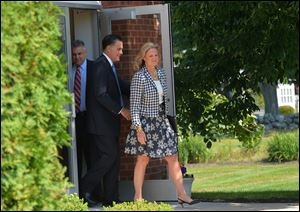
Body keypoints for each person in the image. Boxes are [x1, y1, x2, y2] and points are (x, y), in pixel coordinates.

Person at [124, 42, 200, 206]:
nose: (154, 58)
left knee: (172, 157)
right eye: (150, 56)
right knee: (143, 159)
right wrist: (138, 129)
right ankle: (137, 198)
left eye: (156, 55)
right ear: (143, 58)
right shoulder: (139, 77)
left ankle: (182, 195)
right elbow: (134, 106)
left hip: (161, 120)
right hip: (145, 123)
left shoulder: (161, 73)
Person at [80, 34, 131, 207]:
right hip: (100, 125)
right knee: (109, 156)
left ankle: (111, 199)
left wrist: (140, 86)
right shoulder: (100, 65)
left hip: (109, 125)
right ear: (108, 49)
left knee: (114, 160)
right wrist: (121, 110)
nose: (121, 52)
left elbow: (121, 87)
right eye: (119, 49)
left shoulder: (110, 67)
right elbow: (100, 94)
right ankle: (83, 188)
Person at [71, 40, 93, 190]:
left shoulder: (94, 68)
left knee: (91, 157)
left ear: (85, 53)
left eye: (79, 54)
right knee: (75, 159)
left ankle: (93, 192)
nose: (77, 57)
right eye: (74, 54)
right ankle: (78, 194)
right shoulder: (69, 70)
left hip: (89, 118)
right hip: (73, 118)